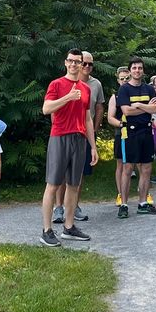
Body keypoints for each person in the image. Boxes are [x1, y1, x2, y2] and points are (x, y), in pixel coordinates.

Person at [39, 49, 98, 246]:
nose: (74, 65)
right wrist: (68, 97)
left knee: (74, 185)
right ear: (65, 63)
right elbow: (46, 109)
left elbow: (88, 118)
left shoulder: (86, 89)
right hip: (60, 137)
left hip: (79, 139)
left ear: (82, 65)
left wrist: (93, 146)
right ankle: (47, 231)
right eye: (71, 61)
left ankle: (69, 227)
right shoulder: (56, 84)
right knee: (53, 184)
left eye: (77, 62)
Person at [53, 51, 101, 224]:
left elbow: (94, 112)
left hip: (82, 135)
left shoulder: (93, 86)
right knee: (58, 177)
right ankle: (58, 208)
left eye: (89, 64)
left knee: (77, 178)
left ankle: (72, 213)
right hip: (62, 134)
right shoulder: (60, 83)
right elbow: (51, 110)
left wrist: (93, 138)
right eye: (84, 63)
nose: (86, 66)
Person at [117, 57, 156, 216]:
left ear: (143, 71)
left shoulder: (149, 89)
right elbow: (126, 111)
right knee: (128, 168)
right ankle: (123, 205)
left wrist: (139, 105)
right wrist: (147, 108)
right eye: (134, 68)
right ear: (130, 71)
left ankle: (143, 203)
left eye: (140, 68)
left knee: (146, 168)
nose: (137, 70)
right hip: (130, 133)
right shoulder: (124, 89)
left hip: (147, 131)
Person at [107, 65, 130, 208]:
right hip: (121, 134)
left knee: (141, 164)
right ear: (118, 80)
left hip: (138, 134)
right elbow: (110, 118)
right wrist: (122, 125)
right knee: (120, 164)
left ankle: (145, 193)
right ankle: (120, 194)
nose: (125, 81)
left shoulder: (137, 92)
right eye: (122, 79)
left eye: (127, 78)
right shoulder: (114, 97)